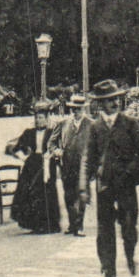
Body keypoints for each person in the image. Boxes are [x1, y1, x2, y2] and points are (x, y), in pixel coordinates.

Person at [80, 79, 139, 277]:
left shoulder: (130, 124)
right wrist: (84, 188)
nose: (114, 103)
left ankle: (130, 253)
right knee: (104, 228)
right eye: (109, 100)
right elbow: (89, 157)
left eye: (116, 99)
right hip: (105, 185)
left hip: (126, 184)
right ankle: (108, 270)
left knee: (128, 225)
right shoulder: (96, 127)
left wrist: (129, 171)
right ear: (100, 104)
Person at [9, 98, 61, 233]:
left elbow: (59, 147)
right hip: (32, 164)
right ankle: (35, 224)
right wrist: (23, 156)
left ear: (46, 119)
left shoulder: (52, 133)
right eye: (37, 118)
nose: (39, 121)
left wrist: (53, 154)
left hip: (47, 163)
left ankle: (49, 225)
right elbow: (15, 147)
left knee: (46, 193)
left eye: (41, 118)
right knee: (30, 192)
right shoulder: (29, 132)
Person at [57, 94, 91, 235]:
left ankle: (80, 225)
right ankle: (72, 224)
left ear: (83, 109)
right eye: (73, 109)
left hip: (84, 166)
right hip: (67, 165)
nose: (75, 112)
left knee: (81, 195)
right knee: (68, 195)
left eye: (78, 109)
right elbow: (52, 142)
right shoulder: (64, 123)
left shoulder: (91, 124)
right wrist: (56, 150)